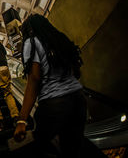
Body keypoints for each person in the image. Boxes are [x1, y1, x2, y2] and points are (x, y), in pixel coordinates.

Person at [13, 14, 86, 157]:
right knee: (71, 150)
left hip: (54, 103)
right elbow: (75, 71)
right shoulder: (58, 39)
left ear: (28, 30)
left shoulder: (31, 42)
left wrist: (22, 120)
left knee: (39, 146)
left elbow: (34, 79)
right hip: (78, 100)